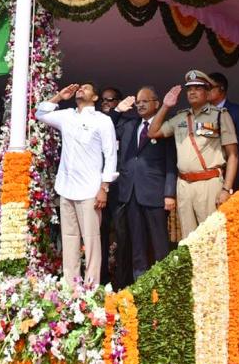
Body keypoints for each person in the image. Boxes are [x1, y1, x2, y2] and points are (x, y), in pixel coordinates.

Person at [35, 82, 117, 286]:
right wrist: (59, 97)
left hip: (90, 189)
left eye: (87, 88)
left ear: (95, 98)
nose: (81, 89)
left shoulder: (102, 120)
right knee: (69, 238)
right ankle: (70, 287)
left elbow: (110, 154)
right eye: (80, 88)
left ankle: (91, 287)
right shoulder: (67, 115)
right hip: (66, 187)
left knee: (91, 241)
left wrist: (104, 187)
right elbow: (40, 113)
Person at [148, 70, 239, 238]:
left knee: (211, 237)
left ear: (208, 92)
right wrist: (166, 106)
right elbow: (153, 133)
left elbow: (233, 155)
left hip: (209, 183)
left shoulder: (220, 115)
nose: (192, 92)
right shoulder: (181, 117)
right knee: (189, 240)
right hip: (184, 184)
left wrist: (226, 189)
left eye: (198, 88)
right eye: (189, 89)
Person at [110, 86, 177, 281]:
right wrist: (118, 111)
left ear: (157, 104)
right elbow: (107, 128)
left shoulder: (165, 126)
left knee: (159, 243)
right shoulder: (130, 125)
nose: (139, 105)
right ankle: (140, 284)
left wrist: (169, 193)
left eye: (144, 101)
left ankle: (164, 283)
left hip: (155, 194)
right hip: (130, 193)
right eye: (138, 102)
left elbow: (171, 161)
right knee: (137, 244)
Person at [207, 72, 239, 190]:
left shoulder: (238, 111)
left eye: (209, 87)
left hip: (232, 175)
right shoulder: (201, 114)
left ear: (221, 88)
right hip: (208, 176)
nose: (205, 91)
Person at [99, 87, 123, 284]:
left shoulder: (127, 124)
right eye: (104, 100)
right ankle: (101, 277)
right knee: (100, 234)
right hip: (99, 189)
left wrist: (118, 115)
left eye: (111, 100)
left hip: (121, 188)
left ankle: (123, 278)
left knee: (122, 233)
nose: (106, 103)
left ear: (119, 102)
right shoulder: (96, 123)